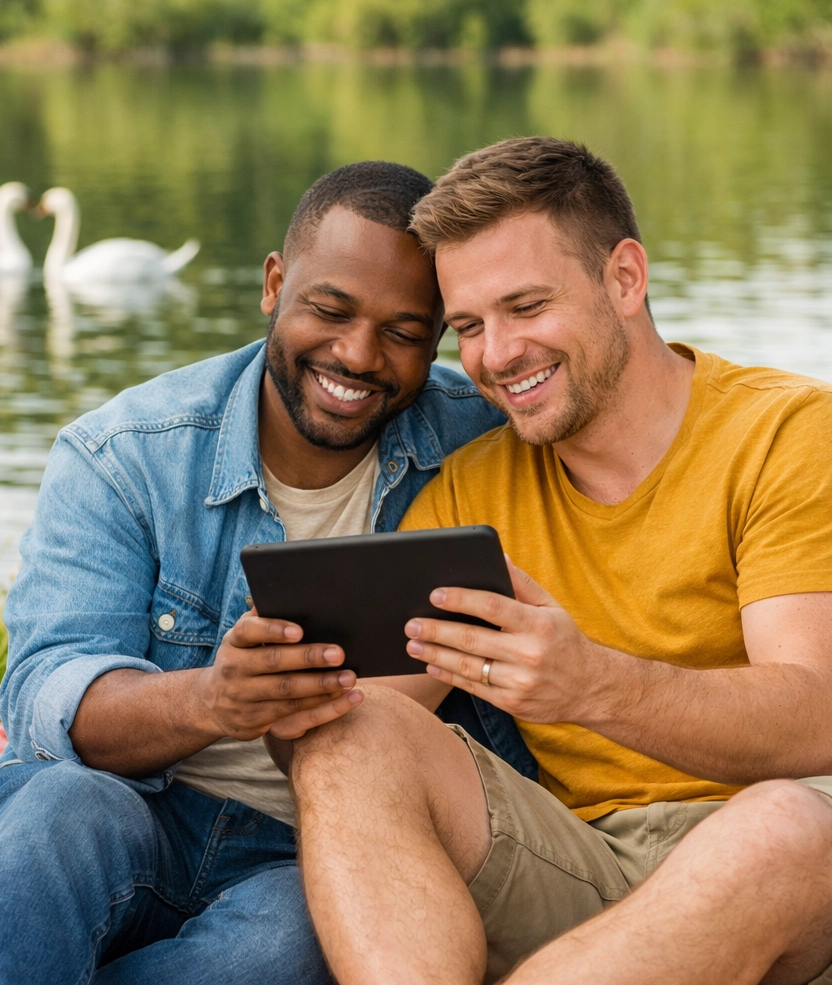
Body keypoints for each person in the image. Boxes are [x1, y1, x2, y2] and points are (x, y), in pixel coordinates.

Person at [0, 161, 518, 985]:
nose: (357, 354)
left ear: (442, 335)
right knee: (58, 810)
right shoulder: (125, 453)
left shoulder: (486, 443)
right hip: (131, 811)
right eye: (329, 310)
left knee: (303, 940)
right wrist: (211, 700)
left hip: (310, 851)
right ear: (274, 285)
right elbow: (44, 695)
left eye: (405, 333)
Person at [277, 138, 832, 985]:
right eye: (469, 327)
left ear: (625, 279)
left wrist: (593, 685)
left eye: (527, 307)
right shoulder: (472, 491)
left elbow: (816, 718)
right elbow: (352, 730)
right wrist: (282, 694)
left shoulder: (786, 436)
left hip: (775, 860)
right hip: (579, 869)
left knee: (781, 831)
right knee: (351, 737)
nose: (497, 355)